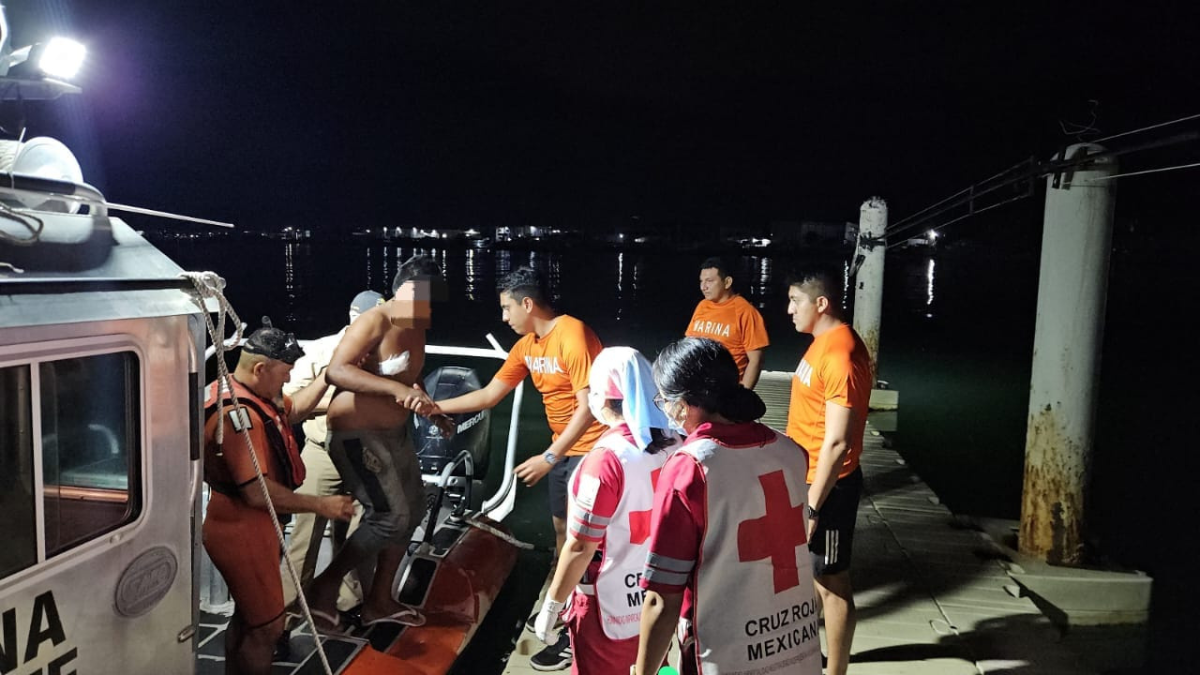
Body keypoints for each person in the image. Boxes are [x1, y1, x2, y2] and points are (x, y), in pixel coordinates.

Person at [420, 266, 605, 671]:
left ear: (527, 303)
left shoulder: (571, 333)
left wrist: (550, 456)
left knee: (585, 541)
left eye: (507, 308)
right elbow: (488, 395)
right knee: (562, 534)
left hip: (597, 451)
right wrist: (431, 407)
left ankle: (583, 626)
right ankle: (564, 606)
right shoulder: (527, 347)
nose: (504, 319)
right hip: (566, 452)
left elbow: (590, 406)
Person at [634, 337, 821, 675]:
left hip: (724, 655)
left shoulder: (690, 469)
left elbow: (662, 598)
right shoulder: (791, 452)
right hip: (797, 649)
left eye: (664, 401)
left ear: (683, 404)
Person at [202, 319, 356, 675]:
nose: (288, 379)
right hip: (241, 529)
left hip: (251, 525)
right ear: (261, 368)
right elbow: (257, 493)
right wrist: (322, 504)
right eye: (285, 373)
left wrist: (328, 377)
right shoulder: (239, 417)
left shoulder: (252, 392)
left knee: (248, 616)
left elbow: (293, 410)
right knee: (268, 626)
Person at [303, 255, 448, 631]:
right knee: (390, 517)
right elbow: (338, 369)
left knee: (412, 513)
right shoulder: (376, 319)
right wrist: (395, 388)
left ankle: (379, 602)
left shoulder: (415, 324)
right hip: (356, 432)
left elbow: (405, 374)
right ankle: (323, 588)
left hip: (396, 433)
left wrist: (432, 411)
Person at [532, 347, 679, 675]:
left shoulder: (606, 460)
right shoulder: (674, 442)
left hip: (608, 602)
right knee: (657, 666)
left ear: (603, 397)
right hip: (662, 593)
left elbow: (582, 545)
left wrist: (554, 603)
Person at [785, 269, 872, 675]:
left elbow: (838, 441)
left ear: (821, 303)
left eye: (794, 302)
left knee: (832, 582)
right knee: (812, 578)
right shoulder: (821, 344)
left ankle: (835, 671)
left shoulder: (842, 354)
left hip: (829, 489)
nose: (788, 310)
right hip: (806, 480)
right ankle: (810, 658)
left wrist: (812, 507)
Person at [282, 290, 384, 614]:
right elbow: (289, 403)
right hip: (321, 453)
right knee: (304, 537)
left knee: (360, 536)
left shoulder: (390, 355)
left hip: (368, 454)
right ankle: (284, 618)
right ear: (354, 319)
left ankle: (349, 606)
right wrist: (341, 403)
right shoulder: (321, 350)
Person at [683, 257, 770, 389]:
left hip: (727, 390)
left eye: (709, 281)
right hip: (698, 388)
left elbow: (756, 360)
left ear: (727, 282)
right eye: (701, 281)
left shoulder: (745, 311)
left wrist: (743, 395)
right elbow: (688, 346)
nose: (703, 287)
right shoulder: (702, 306)